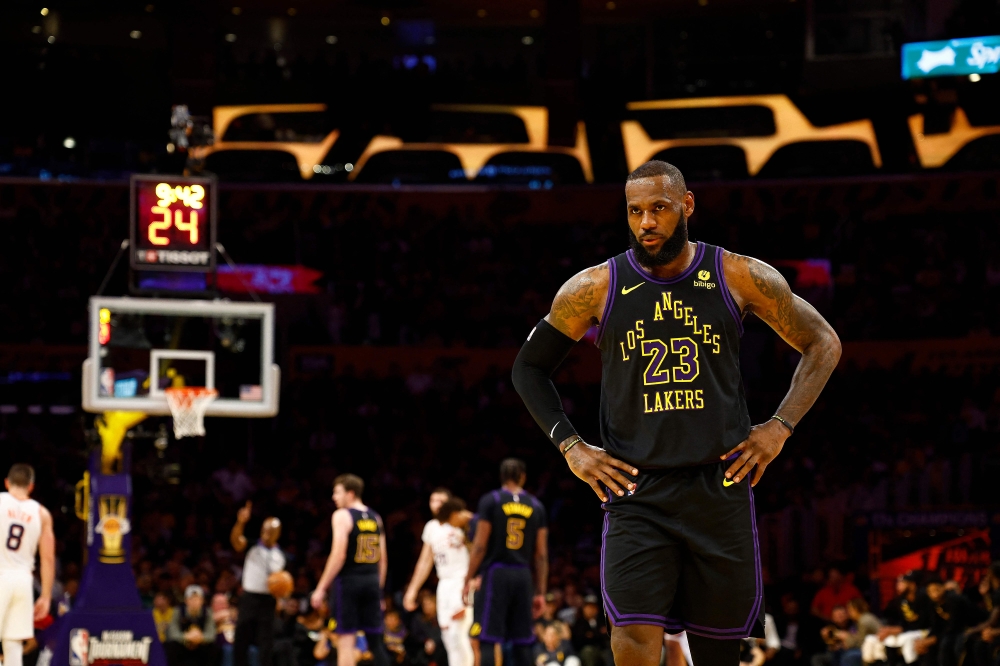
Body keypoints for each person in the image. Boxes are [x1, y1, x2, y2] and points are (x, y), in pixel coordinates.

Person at [510, 160, 842, 666]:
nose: (647, 222)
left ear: (686, 206)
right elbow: (528, 368)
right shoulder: (595, 286)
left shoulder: (738, 274)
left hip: (719, 488)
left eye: (659, 208)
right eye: (636, 211)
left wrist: (779, 428)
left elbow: (823, 342)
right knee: (632, 645)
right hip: (636, 493)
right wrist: (572, 448)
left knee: (717, 653)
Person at [463, 459, 549, 666]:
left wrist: (468, 578)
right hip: (523, 575)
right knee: (522, 642)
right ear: (523, 477)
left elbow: (480, 546)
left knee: (487, 639)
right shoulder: (536, 506)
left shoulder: (491, 500)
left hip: (496, 573)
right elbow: (541, 555)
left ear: (501, 477)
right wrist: (540, 592)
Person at [310, 474, 389, 666]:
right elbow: (383, 559)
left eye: (337, 492)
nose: (334, 497)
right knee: (375, 643)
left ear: (350, 493)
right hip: (371, 581)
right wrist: (378, 591)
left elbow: (339, 555)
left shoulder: (342, 516)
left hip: (348, 583)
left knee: (345, 642)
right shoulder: (375, 517)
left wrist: (321, 588)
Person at [403, 492, 474, 666]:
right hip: (444, 585)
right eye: (433, 500)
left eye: (441, 500)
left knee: (460, 633)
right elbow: (425, 562)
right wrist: (412, 591)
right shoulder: (431, 527)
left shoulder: (464, 522)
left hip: (462, 582)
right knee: (447, 634)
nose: (437, 504)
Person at [0, 464, 55, 666]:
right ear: (31, 486)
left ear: (7, 483)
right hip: (23, 581)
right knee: (13, 644)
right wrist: (46, 595)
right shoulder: (42, 513)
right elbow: (48, 558)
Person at [231, 501, 287, 666]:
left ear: (278, 534)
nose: (266, 533)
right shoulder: (252, 546)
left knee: (266, 642)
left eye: (271, 530)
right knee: (241, 638)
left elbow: (284, 582)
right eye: (264, 529)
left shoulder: (281, 555)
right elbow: (236, 541)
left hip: (268, 601)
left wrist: (282, 596)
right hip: (249, 598)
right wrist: (240, 522)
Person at [165, 585, 220, 666]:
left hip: (200, 645)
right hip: (183, 645)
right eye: (191, 599)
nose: (194, 601)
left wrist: (200, 638)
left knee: (214, 648)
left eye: (197, 599)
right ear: (186, 600)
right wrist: (186, 637)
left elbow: (211, 634)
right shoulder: (178, 611)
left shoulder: (207, 612)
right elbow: (172, 632)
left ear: (202, 600)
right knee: (171, 646)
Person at [570, 595, 609, 666]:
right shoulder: (579, 623)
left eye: (593, 607)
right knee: (588, 652)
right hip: (586, 650)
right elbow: (579, 640)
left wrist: (592, 635)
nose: (590, 610)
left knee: (609, 652)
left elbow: (606, 636)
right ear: (583, 608)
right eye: (588, 607)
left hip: (602, 648)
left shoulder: (602, 621)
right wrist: (598, 634)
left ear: (597, 609)